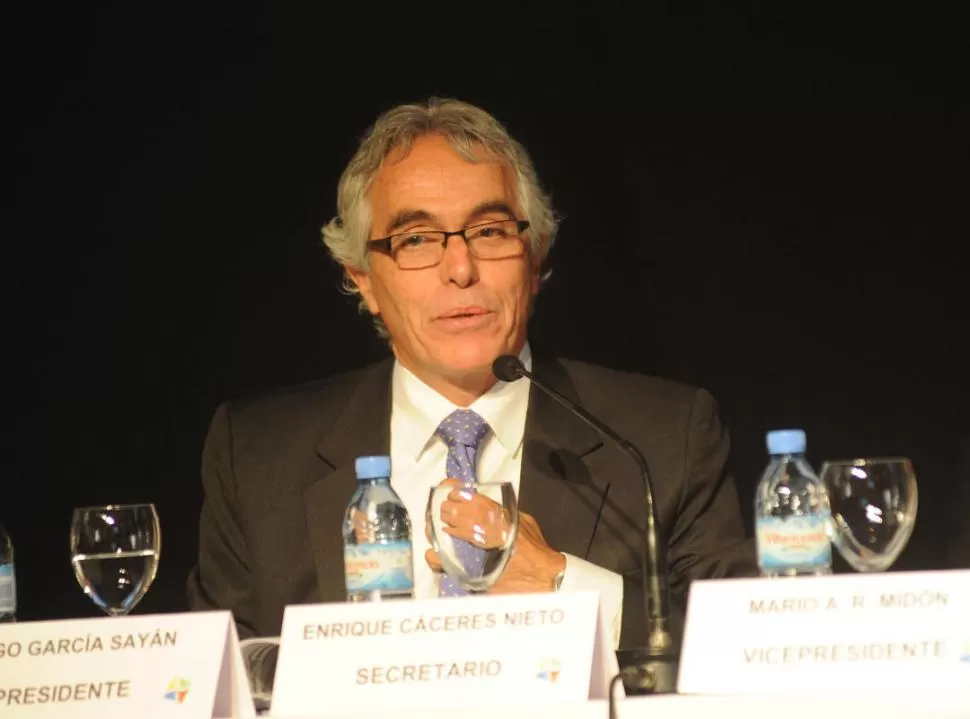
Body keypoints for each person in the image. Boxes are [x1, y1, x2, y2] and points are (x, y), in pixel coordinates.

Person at [186, 97, 756, 650]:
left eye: (489, 232)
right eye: (416, 240)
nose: (461, 269)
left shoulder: (662, 439)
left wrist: (564, 588)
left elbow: (740, 652)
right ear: (362, 278)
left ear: (535, 260)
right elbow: (219, 680)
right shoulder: (258, 457)